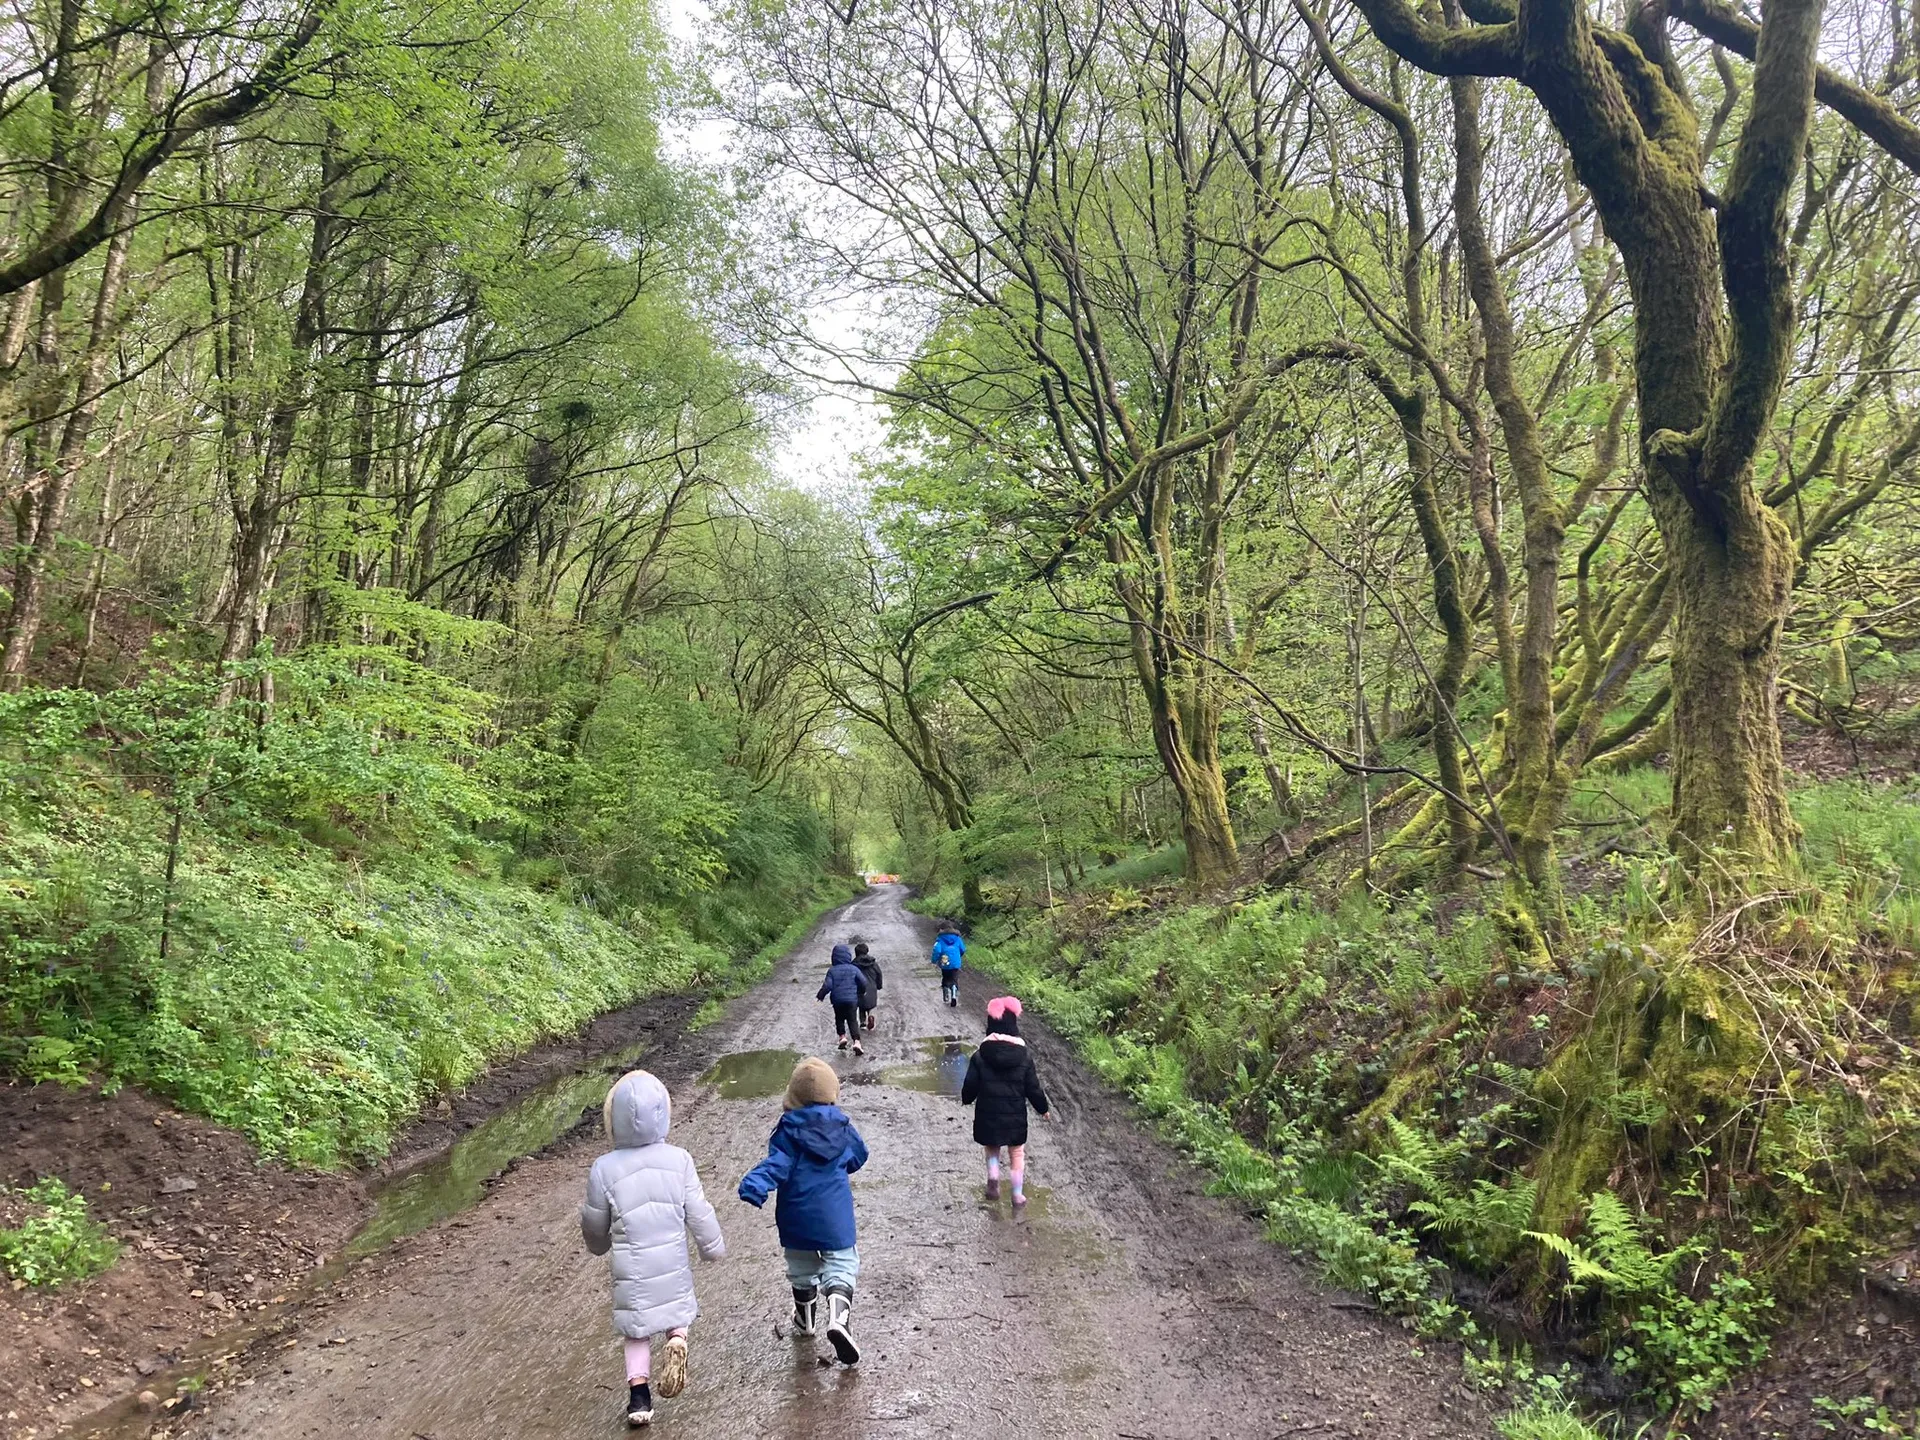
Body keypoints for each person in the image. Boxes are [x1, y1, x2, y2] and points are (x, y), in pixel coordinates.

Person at [581, 1070, 726, 1429]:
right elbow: (699, 1210)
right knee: (677, 1312)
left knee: (636, 1331)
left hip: (632, 1267)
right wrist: (712, 1247)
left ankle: (639, 1398)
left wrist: (598, 1245)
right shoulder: (679, 1160)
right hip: (672, 1261)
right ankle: (677, 1339)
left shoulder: (604, 1169)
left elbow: (594, 1223)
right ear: (663, 1112)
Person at [737, 1057, 869, 1366]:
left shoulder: (788, 1129)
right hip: (835, 1219)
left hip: (796, 1217)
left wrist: (755, 1184)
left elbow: (777, 1164)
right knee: (841, 1265)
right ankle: (838, 1319)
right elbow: (859, 1157)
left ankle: (805, 1322)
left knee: (801, 1268)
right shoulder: (843, 1127)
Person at [960, 996, 1053, 1207]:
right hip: (1015, 1115)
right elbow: (1033, 1087)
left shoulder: (980, 1055)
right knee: (1016, 1152)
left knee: (992, 1147)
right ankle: (1017, 1194)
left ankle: (993, 1180)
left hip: (988, 1112)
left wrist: (967, 1098)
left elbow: (971, 1083)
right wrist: (1043, 1108)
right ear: (1014, 1026)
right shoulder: (1024, 1056)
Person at [817, 943, 871, 1054]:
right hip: (852, 1000)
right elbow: (863, 982)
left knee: (839, 1018)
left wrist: (821, 995)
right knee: (852, 1020)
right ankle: (857, 1042)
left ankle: (842, 1037)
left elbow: (827, 985)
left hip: (838, 1000)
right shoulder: (854, 969)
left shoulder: (832, 970)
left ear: (834, 957)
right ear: (848, 956)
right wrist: (861, 992)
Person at [930, 922, 965, 1007]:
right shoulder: (957, 938)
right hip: (955, 962)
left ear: (942, 929)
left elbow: (937, 950)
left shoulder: (940, 939)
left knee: (945, 977)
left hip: (944, 962)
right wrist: (958, 956)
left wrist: (934, 961)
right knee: (954, 978)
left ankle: (946, 994)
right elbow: (963, 949)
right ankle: (953, 994)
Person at [851, 941, 884, 1032]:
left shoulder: (853, 964)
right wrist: (879, 985)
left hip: (859, 988)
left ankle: (862, 1023)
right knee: (871, 1005)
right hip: (872, 987)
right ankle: (871, 1016)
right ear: (867, 951)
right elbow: (879, 974)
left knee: (861, 1006)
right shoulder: (873, 963)